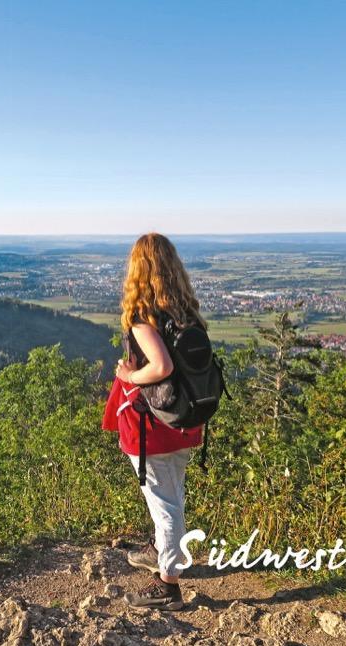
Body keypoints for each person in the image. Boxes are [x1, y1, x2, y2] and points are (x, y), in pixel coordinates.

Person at [102, 232, 205, 610]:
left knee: (164, 505)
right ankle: (161, 550)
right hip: (184, 418)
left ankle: (168, 584)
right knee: (172, 494)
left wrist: (129, 376)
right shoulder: (185, 313)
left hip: (152, 427)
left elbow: (161, 366)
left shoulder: (143, 316)